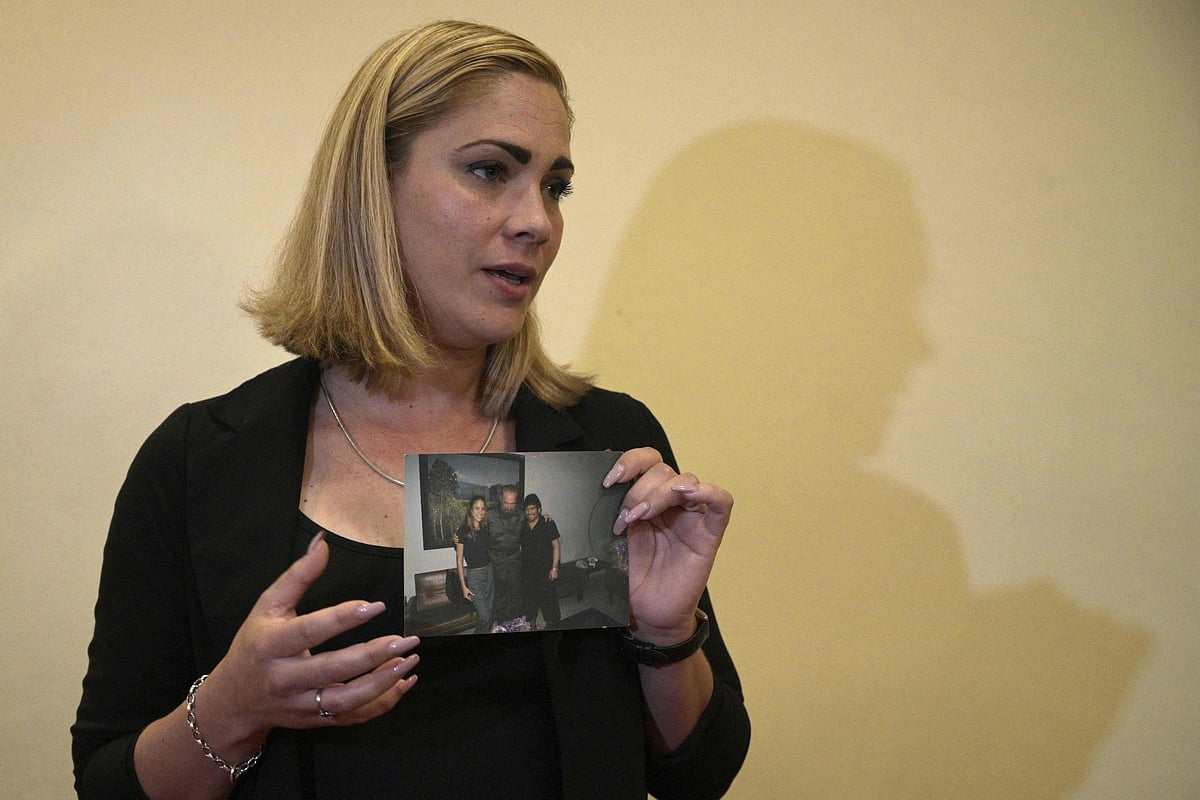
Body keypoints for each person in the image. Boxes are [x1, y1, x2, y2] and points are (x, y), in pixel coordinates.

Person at [71, 19, 750, 800]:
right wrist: (228, 711)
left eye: (555, 185)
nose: (538, 220)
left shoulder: (607, 443)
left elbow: (701, 774)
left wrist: (665, 633)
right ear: (373, 188)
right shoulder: (198, 460)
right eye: (491, 170)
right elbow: (107, 784)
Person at [453, 496, 495, 634]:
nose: (481, 512)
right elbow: (459, 560)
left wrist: (545, 516)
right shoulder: (462, 531)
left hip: (489, 572)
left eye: (483, 509)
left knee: (489, 614)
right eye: (477, 508)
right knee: (485, 617)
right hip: (475, 576)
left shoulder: (486, 528)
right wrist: (463, 586)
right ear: (471, 510)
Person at [521, 493, 562, 629]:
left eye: (532, 508)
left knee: (549, 599)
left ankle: (552, 623)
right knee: (530, 599)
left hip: (546, 571)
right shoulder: (522, 526)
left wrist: (554, 568)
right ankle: (532, 621)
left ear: (539, 509)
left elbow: (556, 545)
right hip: (528, 571)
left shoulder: (547, 523)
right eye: (527, 509)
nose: (529, 512)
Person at [488, 484, 525, 625]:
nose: (509, 507)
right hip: (496, 560)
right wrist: (458, 536)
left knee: (515, 593)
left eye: (512, 503)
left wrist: (546, 517)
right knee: (500, 596)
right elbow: (473, 526)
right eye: (506, 503)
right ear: (500, 499)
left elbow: (535, 519)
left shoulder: (521, 514)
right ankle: (502, 624)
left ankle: (516, 623)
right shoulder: (489, 515)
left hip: (515, 559)